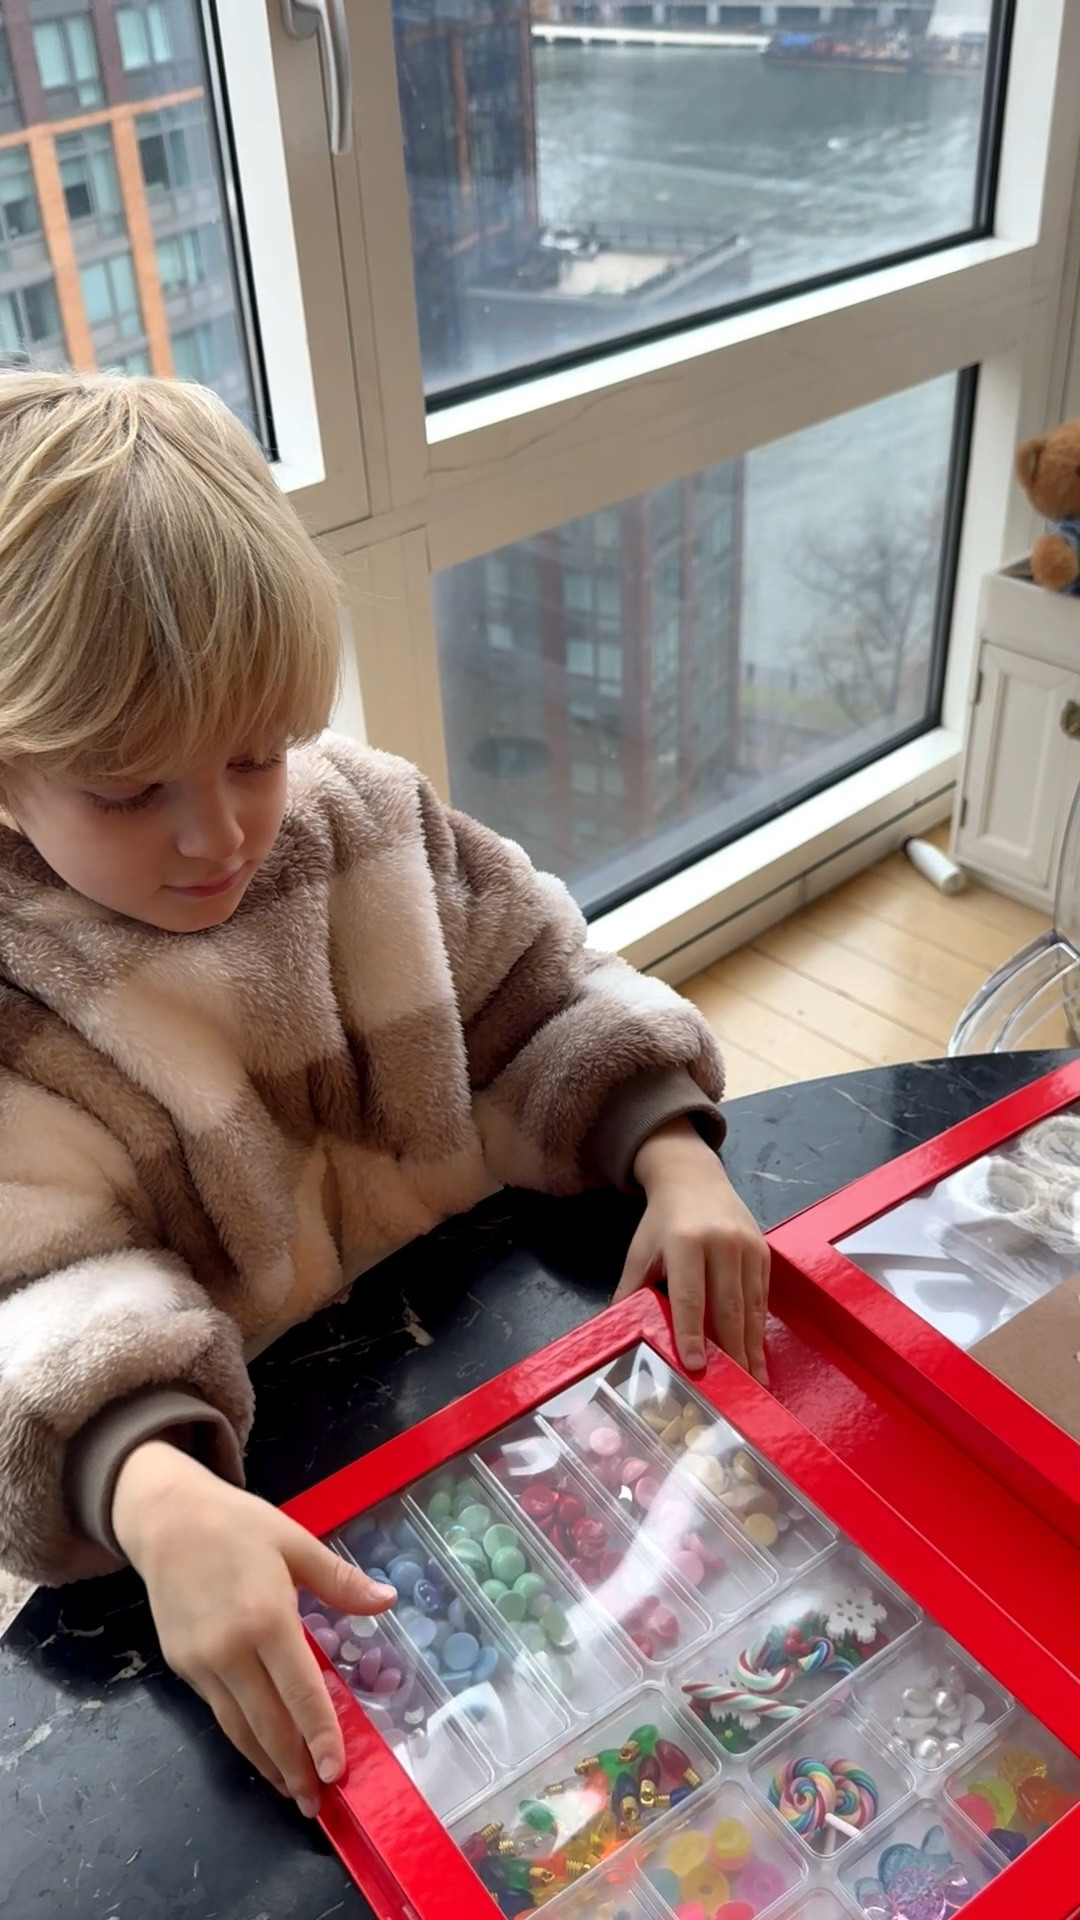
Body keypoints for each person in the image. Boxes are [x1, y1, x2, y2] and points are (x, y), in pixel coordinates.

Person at [0, 371, 769, 1822]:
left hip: (495, 1420)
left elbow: (541, 982)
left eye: (252, 751)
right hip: (244, 1520)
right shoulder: (14, 996)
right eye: (123, 790)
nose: (217, 831)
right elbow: (37, 1291)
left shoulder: (362, 819)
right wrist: (158, 1496)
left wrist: (671, 1147)